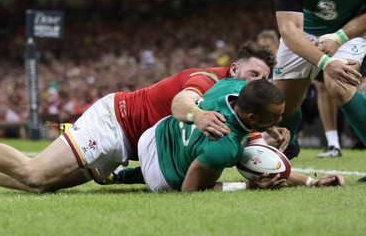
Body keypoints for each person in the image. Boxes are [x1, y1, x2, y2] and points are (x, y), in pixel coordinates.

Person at [0, 42, 281, 193]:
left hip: (127, 143)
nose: (258, 82)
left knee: (40, 186)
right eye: (254, 74)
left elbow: (248, 140)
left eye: (264, 78)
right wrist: (196, 114)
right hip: (114, 122)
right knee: (33, 172)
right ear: (236, 68)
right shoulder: (208, 79)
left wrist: (302, 177)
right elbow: (181, 102)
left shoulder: (238, 98)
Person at [133, 79, 343, 192]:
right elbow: (190, 189)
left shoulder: (234, 86)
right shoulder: (225, 147)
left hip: (154, 132)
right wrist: (248, 186)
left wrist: (312, 182)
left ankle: (124, 175)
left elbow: (265, 158)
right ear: (252, 117)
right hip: (160, 174)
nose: (279, 122)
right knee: (196, 175)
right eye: (275, 117)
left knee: (251, 150)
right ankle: (134, 175)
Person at [272, 0, 366, 161]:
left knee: (340, 85)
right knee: (283, 102)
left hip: (348, 29)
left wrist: (339, 37)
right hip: (302, 31)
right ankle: (288, 145)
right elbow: (289, 29)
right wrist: (325, 63)